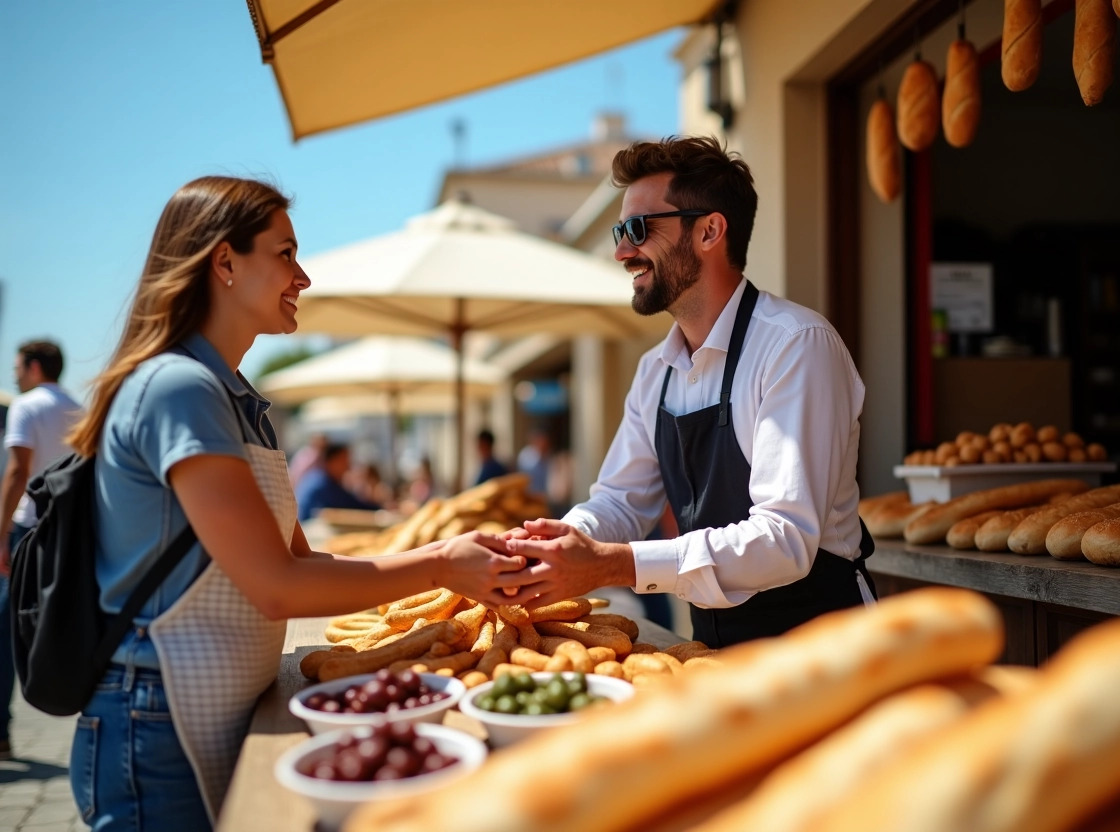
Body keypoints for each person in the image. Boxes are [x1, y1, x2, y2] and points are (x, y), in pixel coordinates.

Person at [64, 176, 528, 830]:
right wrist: (442, 566)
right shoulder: (179, 389)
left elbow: (301, 562)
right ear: (224, 262)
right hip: (153, 718)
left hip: (201, 706)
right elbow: (278, 586)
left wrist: (445, 568)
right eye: (285, 253)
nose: (302, 276)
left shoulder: (233, 396)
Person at [505, 136, 876, 649]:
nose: (621, 251)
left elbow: (784, 539)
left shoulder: (796, 345)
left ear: (709, 230)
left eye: (637, 228)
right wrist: (561, 540)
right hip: (711, 644)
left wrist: (615, 564)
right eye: (619, 230)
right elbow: (620, 500)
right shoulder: (654, 369)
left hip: (826, 641)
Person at [0, 339, 81, 761]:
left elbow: (18, 472)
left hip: (29, 528)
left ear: (33, 367)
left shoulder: (26, 405)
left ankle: (0, 730)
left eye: (16, 366)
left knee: (6, 629)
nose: (13, 373)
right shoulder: (78, 407)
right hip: (68, 528)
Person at [295, 442, 382, 520]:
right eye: (344, 460)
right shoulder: (323, 483)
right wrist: (379, 509)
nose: (348, 465)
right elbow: (350, 505)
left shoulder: (320, 477)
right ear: (333, 461)